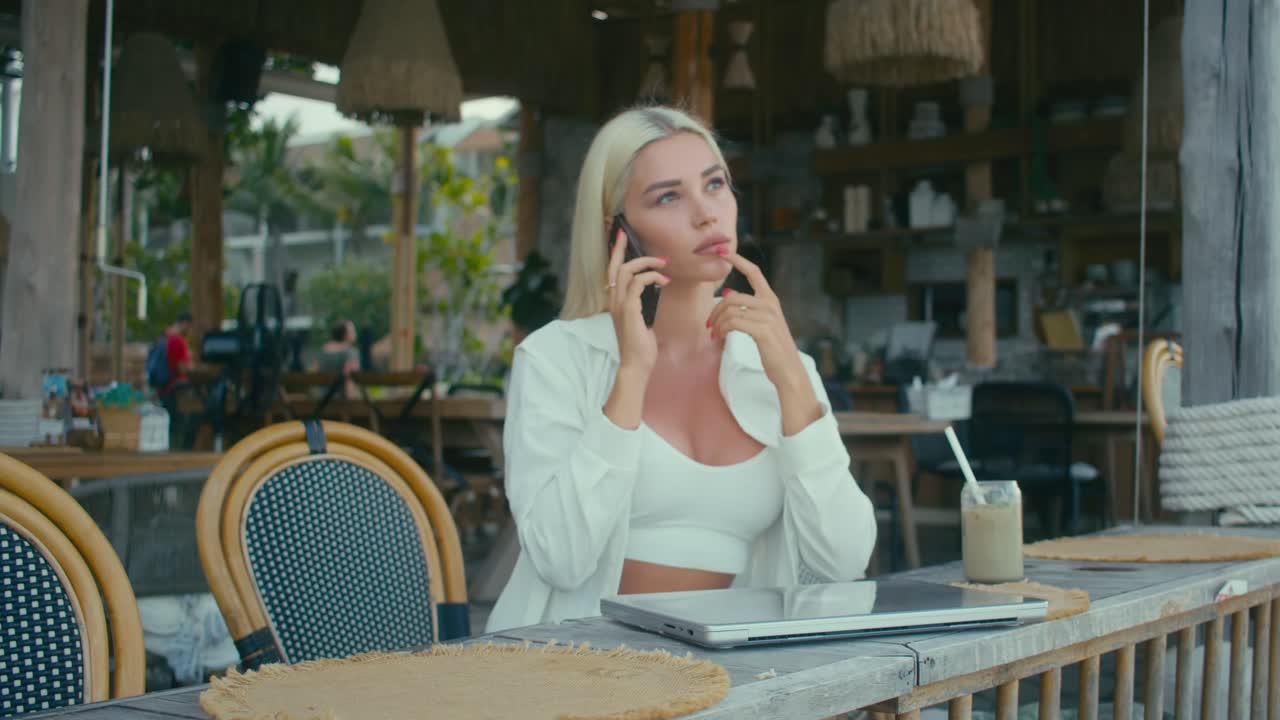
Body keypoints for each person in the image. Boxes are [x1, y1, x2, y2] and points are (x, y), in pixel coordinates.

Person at [485, 106, 877, 633]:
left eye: (715, 185)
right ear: (617, 232)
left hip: (732, 678)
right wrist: (630, 377)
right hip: (577, 670)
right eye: (668, 196)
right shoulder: (557, 358)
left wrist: (792, 380)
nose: (706, 214)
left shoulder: (778, 365)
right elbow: (561, 559)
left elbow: (844, 562)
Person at [313, 320, 362, 399]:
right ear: (345, 334)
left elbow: (315, 375)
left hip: (321, 401)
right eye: (352, 331)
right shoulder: (351, 353)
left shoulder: (321, 352)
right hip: (341, 402)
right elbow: (350, 381)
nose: (355, 334)